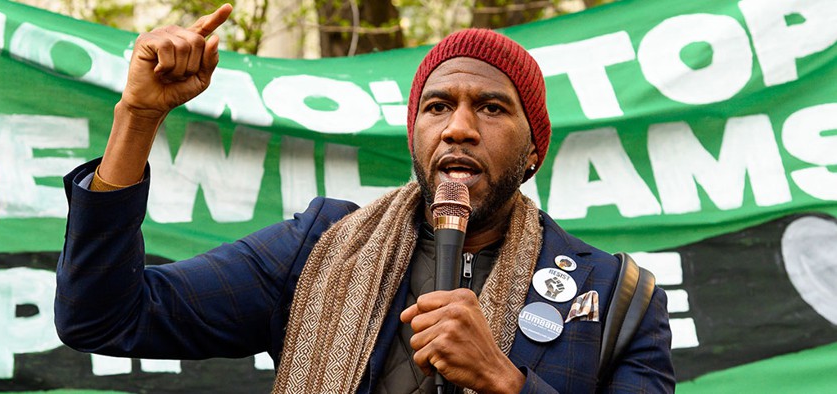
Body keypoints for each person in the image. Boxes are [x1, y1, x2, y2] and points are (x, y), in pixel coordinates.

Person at [55, 4, 674, 393]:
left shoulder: (618, 298)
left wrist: (506, 383)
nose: (458, 127)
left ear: (534, 146)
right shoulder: (319, 250)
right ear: (415, 137)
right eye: (438, 106)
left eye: (490, 107)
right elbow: (105, 316)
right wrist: (136, 117)